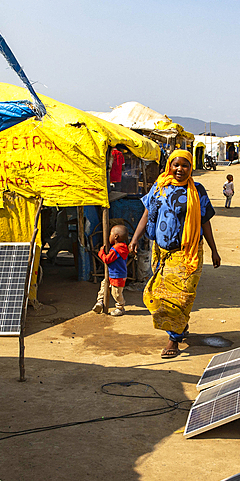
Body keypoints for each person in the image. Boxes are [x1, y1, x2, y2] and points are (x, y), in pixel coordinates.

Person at [130, 150, 220, 358]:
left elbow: (205, 221)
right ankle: (180, 324)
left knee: (181, 296)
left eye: (185, 165)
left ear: (191, 167)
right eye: (176, 165)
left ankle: (173, 339)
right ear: (169, 165)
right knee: (161, 295)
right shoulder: (159, 187)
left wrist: (214, 250)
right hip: (161, 253)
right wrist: (135, 239)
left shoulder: (197, 191)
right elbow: (146, 214)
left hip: (187, 254)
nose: (180, 169)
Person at [93, 224, 129, 316]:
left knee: (116, 293)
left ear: (116, 236)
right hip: (113, 274)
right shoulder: (120, 247)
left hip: (117, 275)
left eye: (110, 234)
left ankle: (120, 308)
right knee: (104, 286)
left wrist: (101, 252)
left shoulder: (117, 249)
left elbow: (107, 260)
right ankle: (100, 302)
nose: (109, 236)